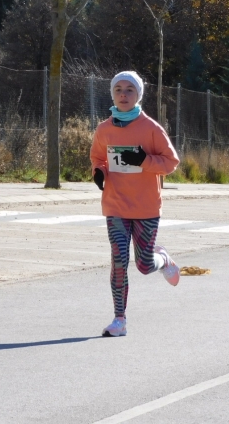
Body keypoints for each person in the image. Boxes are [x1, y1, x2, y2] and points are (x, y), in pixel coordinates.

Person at [90, 70, 180, 337]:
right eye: (118, 89)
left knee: (143, 265)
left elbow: (171, 162)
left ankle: (162, 259)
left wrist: (144, 161)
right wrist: (99, 172)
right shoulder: (104, 129)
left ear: (138, 95)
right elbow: (98, 158)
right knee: (119, 260)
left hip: (145, 206)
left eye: (129, 90)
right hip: (115, 205)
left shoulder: (151, 128)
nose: (123, 94)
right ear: (113, 95)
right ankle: (119, 319)